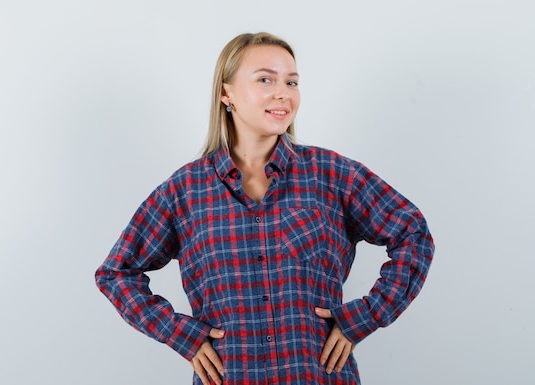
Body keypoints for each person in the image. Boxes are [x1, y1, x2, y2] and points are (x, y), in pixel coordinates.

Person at [95, 32, 434, 385]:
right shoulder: (185, 191)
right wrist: (181, 334)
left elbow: (413, 233)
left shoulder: (331, 174)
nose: (283, 93)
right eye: (265, 80)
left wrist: (364, 317)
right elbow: (116, 273)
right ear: (227, 93)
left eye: (292, 81)